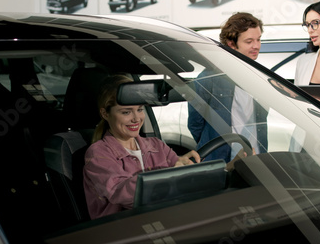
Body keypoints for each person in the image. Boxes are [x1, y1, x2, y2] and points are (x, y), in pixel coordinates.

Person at [83, 75, 201, 219]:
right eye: (126, 112)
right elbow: (120, 194)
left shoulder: (156, 145)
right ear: (105, 114)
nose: (136, 118)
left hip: (163, 218)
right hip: (122, 230)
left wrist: (186, 166)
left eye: (139, 109)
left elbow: (181, 176)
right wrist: (170, 174)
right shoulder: (98, 153)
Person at [188, 12, 267, 163]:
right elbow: (195, 123)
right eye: (249, 41)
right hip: (222, 161)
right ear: (231, 43)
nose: (256, 46)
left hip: (256, 159)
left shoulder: (261, 78)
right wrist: (215, 146)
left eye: (258, 39)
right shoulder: (209, 79)